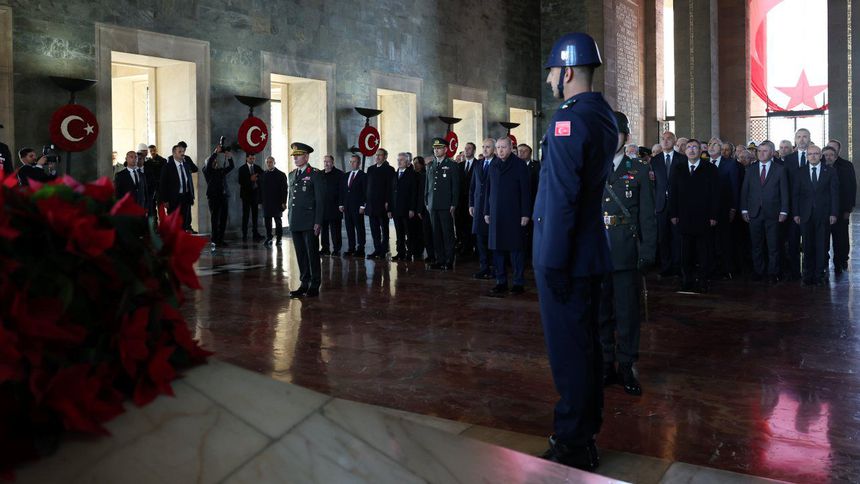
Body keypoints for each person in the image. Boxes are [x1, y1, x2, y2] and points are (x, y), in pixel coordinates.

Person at [534, 32, 615, 471]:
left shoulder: (568, 119)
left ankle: (573, 442)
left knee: (570, 354)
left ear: (566, 71)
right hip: (588, 252)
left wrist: (551, 261)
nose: (550, 79)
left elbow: (562, 197)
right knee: (585, 348)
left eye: (552, 71)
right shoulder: (600, 114)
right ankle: (583, 431)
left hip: (565, 256)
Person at [599, 111, 656, 396]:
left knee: (628, 314)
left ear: (626, 137)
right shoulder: (594, 169)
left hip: (626, 251)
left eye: (617, 134)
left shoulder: (640, 170)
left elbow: (647, 216)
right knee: (602, 313)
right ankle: (606, 364)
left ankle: (626, 366)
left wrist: (647, 251)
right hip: (598, 252)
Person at [669, 139, 720, 292]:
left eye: (695, 147)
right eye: (689, 147)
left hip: (704, 217)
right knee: (686, 251)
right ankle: (687, 279)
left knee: (704, 251)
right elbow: (673, 193)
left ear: (700, 151)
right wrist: (673, 213)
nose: (691, 150)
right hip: (683, 217)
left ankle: (703, 279)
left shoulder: (710, 168)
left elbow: (715, 195)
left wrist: (714, 215)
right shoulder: (678, 168)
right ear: (685, 151)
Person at [484, 136, 530, 296]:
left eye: (503, 147)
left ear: (511, 148)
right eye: (498, 148)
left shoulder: (519, 165)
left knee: (516, 250)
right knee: (497, 250)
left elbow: (526, 192)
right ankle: (501, 281)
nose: (500, 150)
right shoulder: (493, 165)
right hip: (496, 214)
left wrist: (525, 213)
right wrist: (486, 211)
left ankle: (518, 282)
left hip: (514, 213)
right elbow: (488, 191)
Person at [740, 141, 790, 283]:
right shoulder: (751, 169)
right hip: (754, 213)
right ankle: (758, 271)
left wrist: (784, 211)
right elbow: (745, 191)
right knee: (756, 245)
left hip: (773, 213)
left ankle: (773, 272)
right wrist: (744, 209)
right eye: (759, 151)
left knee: (773, 245)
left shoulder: (779, 169)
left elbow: (784, 192)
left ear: (772, 153)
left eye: (765, 151)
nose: (761, 153)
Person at [792, 145, 838, 286]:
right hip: (805, 215)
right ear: (807, 156)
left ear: (820, 156)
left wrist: (833, 213)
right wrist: (796, 213)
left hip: (824, 215)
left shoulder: (830, 171)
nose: (812, 156)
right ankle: (807, 273)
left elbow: (834, 194)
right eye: (810, 154)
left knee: (822, 245)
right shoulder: (800, 172)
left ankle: (819, 274)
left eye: (815, 154)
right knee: (807, 245)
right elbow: (796, 195)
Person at [287, 143, 324, 298]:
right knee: (301, 254)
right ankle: (304, 283)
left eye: (298, 155)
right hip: (295, 220)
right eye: (294, 155)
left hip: (310, 221)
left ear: (306, 157)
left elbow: (320, 200)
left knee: (312, 254)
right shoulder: (291, 174)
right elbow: (291, 199)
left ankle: (314, 284)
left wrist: (318, 222)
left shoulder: (314, 174)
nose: (295, 158)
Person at [651, 130, 686, 278]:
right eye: (663, 139)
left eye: (669, 139)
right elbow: (653, 185)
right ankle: (666, 267)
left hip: (676, 205)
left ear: (674, 141)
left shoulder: (682, 159)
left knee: (677, 238)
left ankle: (677, 267)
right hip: (660, 205)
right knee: (663, 238)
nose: (665, 141)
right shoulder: (655, 160)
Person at [781, 129, 812, 280]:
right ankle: (794, 272)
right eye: (799, 137)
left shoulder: (815, 157)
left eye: (805, 136)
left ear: (809, 139)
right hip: (792, 209)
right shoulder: (788, 160)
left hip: (811, 209)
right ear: (795, 139)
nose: (801, 139)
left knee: (809, 242)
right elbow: (784, 186)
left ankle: (808, 271)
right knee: (792, 243)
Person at [425, 137, 460, 270]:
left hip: (446, 205)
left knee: (447, 234)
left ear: (445, 149)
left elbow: (455, 186)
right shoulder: (431, 165)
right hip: (433, 204)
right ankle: (440, 259)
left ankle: (449, 260)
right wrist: (426, 201)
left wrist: (454, 203)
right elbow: (427, 185)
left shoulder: (452, 165)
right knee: (436, 233)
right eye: (434, 148)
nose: (436, 150)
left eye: (439, 148)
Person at [708, 138, 740, 279]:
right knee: (709, 241)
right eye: (709, 144)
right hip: (707, 210)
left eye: (715, 144)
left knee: (724, 241)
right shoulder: (703, 164)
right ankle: (711, 268)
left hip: (724, 208)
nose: (711, 147)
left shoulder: (730, 164)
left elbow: (735, 188)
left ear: (721, 148)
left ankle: (726, 269)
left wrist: (733, 208)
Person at [824, 141, 856, 274]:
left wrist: (849, 209)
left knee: (841, 238)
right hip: (824, 210)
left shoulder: (846, 165)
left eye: (834, 148)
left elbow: (851, 187)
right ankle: (824, 262)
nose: (830, 153)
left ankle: (841, 261)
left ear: (838, 151)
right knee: (824, 237)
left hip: (842, 208)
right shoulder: (821, 164)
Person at [470, 138, 496, 279]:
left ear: (494, 149)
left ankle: (494, 268)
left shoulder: (498, 164)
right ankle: (484, 267)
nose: (485, 149)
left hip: (492, 208)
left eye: (488, 147)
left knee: (492, 240)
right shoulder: (478, 164)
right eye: (483, 147)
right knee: (480, 239)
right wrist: (471, 204)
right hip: (479, 207)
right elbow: (473, 186)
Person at [365, 148, 395, 259]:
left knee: (384, 229)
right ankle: (377, 249)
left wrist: (388, 202)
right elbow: (367, 187)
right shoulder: (370, 169)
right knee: (374, 229)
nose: (377, 157)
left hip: (383, 204)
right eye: (376, 155)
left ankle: (384, 250)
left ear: (385, 157)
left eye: (380, 155)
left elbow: (390, 188)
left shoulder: (389, 169)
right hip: (371, 205)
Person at [158, 144, 195, 231]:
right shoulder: (167, 167)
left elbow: (189, 182)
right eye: (180, 152)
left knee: (184, 222)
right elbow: (163, 184)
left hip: (185, 198)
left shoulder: (186, 165)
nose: (183, 154)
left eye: (183, 151)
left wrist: (191, 196)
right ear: (174, 154)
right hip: (173, 199)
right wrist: (165, 200)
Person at [202, 144, 234, 247]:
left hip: (223, 197)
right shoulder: (207, 171)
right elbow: (210, 162)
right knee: (215, 218)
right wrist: (215, 153)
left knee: (223, 219)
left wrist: (229, 157)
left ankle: (220, 239)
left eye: (216, 162)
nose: (215, 163)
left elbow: (231, 167)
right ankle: (214, 239)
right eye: (213, 162)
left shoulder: (220, 171)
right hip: (213, 197)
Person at [390, 152, 418, 260]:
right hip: (396, 209)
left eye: (401, 160)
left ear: (407, 162)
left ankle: (410, 252)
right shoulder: (395, 174)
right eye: (398, 160)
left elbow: (413, 193)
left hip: (407, 209)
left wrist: (412, 208)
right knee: (399, 233)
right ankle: (400, 252)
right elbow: (391, 193)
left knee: (409, 233)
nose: (399, 162)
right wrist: (390, 209)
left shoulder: (412, 175)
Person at [340, 154, 367, 257]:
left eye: (354, 161)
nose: (352, 163)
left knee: (359, 228)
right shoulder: (346, 175)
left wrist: (363, 206)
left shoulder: (363, 176)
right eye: (351, 161)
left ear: (359, 163)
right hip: (347, 207)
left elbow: (365, 192)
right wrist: (341, 204)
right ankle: (351, 248)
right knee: (349, 227)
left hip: (358, 207)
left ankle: (361, 248)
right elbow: (342, 191)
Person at [261, 156, 288, 246]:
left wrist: (284, 202)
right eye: (267, 162)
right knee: (267, 222)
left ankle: (279, 238)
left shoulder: (281, 174)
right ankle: (269, 237)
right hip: (266, 202)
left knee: (278, 221)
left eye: (271, 162)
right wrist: (260, 202)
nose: (269, 164)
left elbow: (284, 189)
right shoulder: (263, 174)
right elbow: (261, 190)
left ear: (274, 163)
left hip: (277, 202)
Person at [457, 142, 477, 258]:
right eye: (465, 148)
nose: (467, 150)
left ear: (474, 151)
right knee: (461, 225)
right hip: (461, 202)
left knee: (471, 226)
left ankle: (473, 248)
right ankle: (464, 247)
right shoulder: (460, 165)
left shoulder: (478, 164)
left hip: (472, 201)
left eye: (469, 148)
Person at [320, 154, 344, 256]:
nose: (326, 163)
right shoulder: (320, 174)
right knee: (324, 230)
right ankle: (325, 248)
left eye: (328, 161)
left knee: (335, 230)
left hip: (335, 207)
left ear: (333, 162)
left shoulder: (339, 174)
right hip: (323, 207)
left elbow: (343, 191)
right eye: (325, 161)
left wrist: (341, 204)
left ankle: (336, 249)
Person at [238, 153, 264, 242]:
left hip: (255, 195)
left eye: (253, 158)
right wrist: (250, 179)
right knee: (245, 215)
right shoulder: (242, 168)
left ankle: (255, 233)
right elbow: (240, 181)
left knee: (255, 215)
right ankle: (244, 234)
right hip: (246, 195)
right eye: (251, 158)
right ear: (247, 158)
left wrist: (258, 178)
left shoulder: (257, 167)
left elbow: (263, 176)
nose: (252, 159)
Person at [413, 156, 433, 262]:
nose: (415, 165)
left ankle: (433, 254)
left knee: (429, 232)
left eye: (418, 163)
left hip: (427, 208)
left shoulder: (425, 175)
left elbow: (423, 194)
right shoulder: (414, 175)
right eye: (414, 163)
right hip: (418, 208)